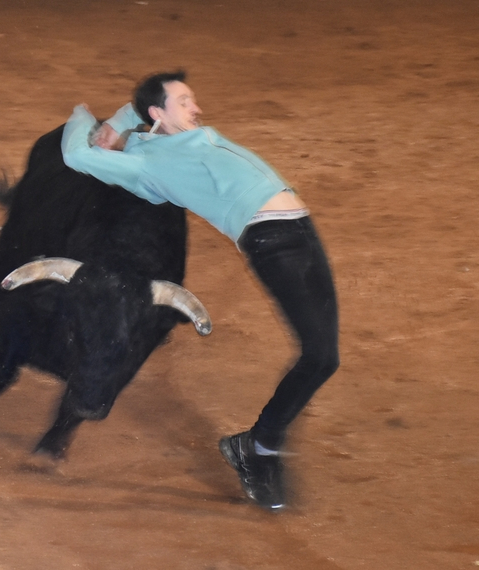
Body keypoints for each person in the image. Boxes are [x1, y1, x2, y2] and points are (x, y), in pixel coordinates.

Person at [61, 71, 339, 510]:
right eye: (185, 101)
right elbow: (77, 155)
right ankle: (259, 447)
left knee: (326, 357)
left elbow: (146, 101)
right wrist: (82, 118)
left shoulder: (188, 137)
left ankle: (256, 443)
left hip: (302, 229)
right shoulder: (145, 161)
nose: (197, 108)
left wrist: (122, 115)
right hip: (271, 242)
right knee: (318, 355)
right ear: (159, 114)